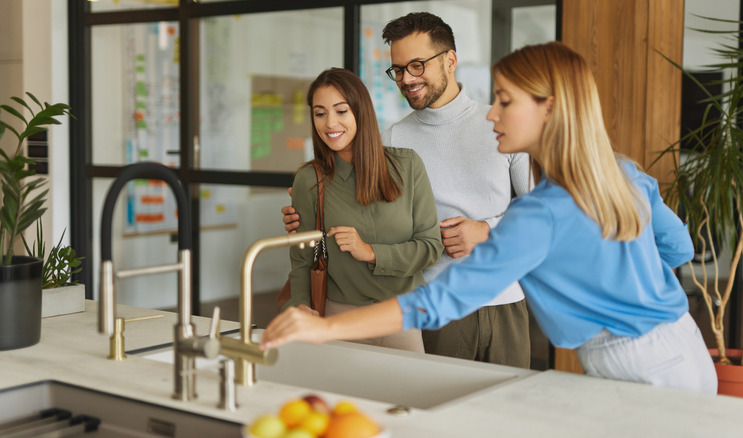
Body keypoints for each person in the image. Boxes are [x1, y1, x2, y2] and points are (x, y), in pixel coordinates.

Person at [262, 42, 718, 394]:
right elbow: (678, 247)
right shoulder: (621, 171)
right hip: (685, 345)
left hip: (635, 369)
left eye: (505, 101)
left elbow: (440, 300)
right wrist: (632, 289)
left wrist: (326, 328)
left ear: (550, 108)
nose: (492, 113)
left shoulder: (538, 214)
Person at [282, 12, 533, 368]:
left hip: (505, 298)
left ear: (451, 60)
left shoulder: (501, 124)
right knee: (434, 413)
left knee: (510, 413)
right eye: (398, 69)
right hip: (435, 305)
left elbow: (543, 210)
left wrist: (487, 231)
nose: (407, 79)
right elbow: (351, 214)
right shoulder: (392, 141)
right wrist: (305, 213)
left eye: (417, 65)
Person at [282, 67, 443, 353]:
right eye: (320, 113)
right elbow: (302, 261)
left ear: (361, 111)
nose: (330, 123)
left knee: (407, 397)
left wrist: (370, 251)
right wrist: (301, 306)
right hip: (339, 320)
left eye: (341, 111)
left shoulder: (407, 167)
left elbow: (430, 248)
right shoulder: (310, 178)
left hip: (401, 317)